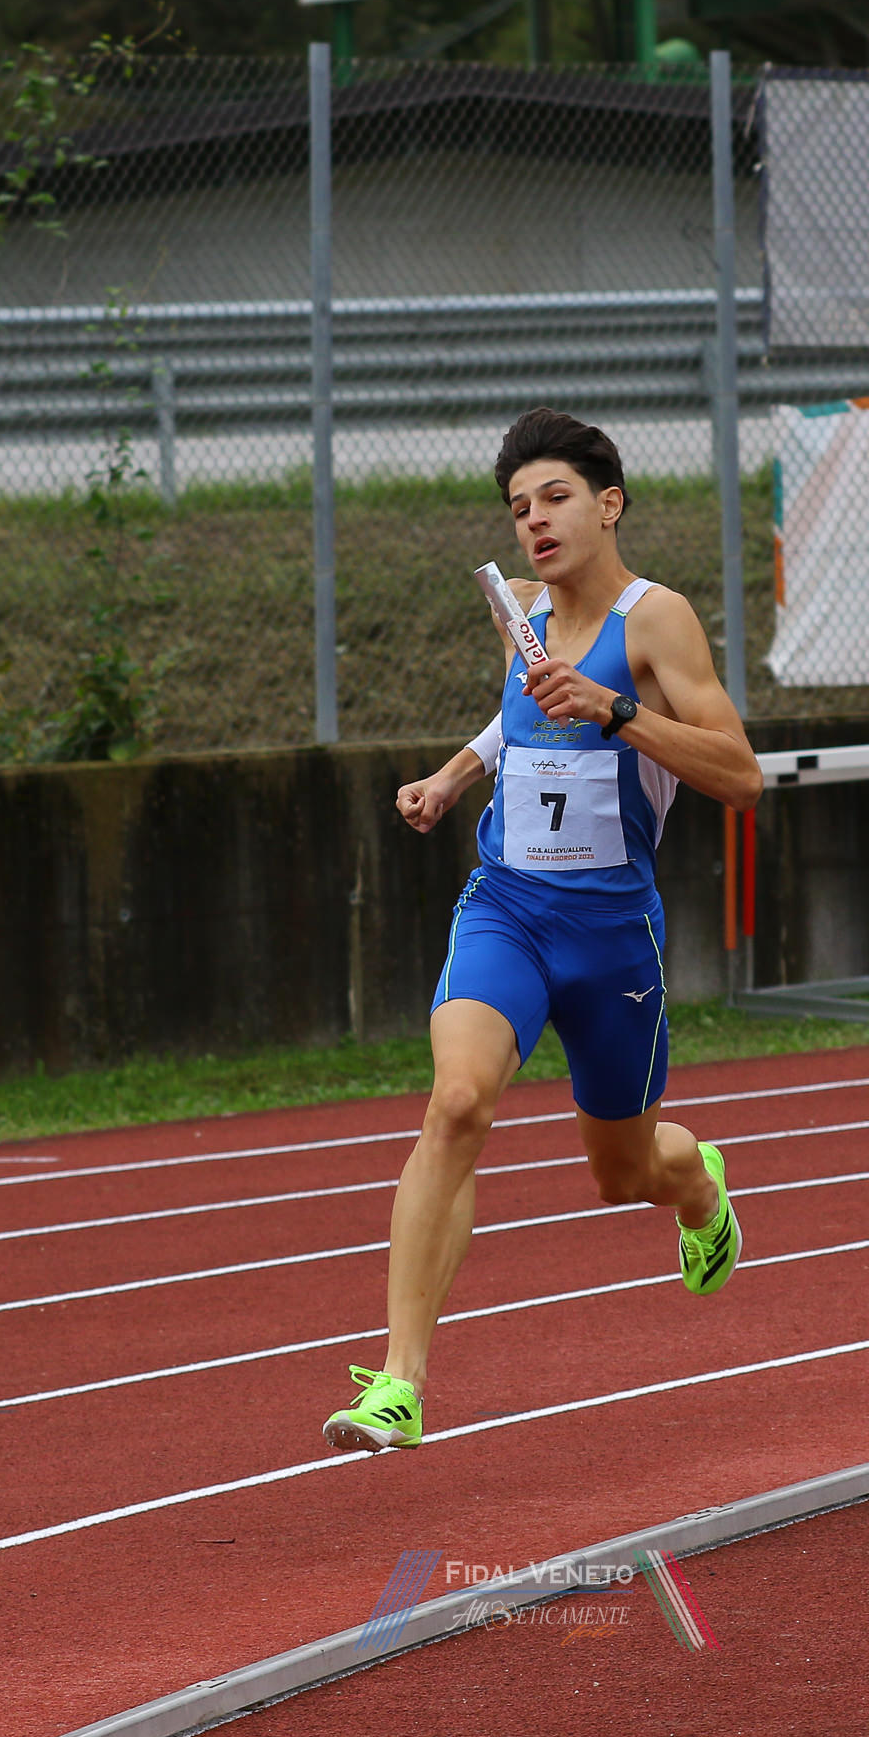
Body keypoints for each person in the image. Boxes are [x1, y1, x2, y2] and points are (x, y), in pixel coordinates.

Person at [323, 408, 765, 1453]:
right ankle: (400, 1382)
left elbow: (740, 775)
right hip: (509, 908)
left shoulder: (657, 622)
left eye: (555, 497)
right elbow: (522, 714)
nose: (535, 520)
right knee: (457, 1101)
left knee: (622, 1174)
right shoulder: (517, 609)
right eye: (520, 506)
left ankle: (696, 1186)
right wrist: (453, 775)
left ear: (609, 505)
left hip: (611, 936)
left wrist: (618, 711)